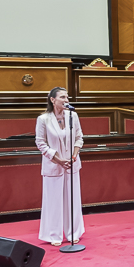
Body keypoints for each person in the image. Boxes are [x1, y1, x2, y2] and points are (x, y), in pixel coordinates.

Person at [36, 87, 85, 246]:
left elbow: (79, 137)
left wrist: (74, 155)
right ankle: (54, 235)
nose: (66, 100)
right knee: (54, 202)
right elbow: (40, 143)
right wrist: (57, 159)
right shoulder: (43, 119)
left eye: (67, 97)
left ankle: (73, 233)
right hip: (53, 165)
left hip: (72, 164)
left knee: (73, 200)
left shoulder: (73, 116)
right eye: (62, 97)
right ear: (52, 100)